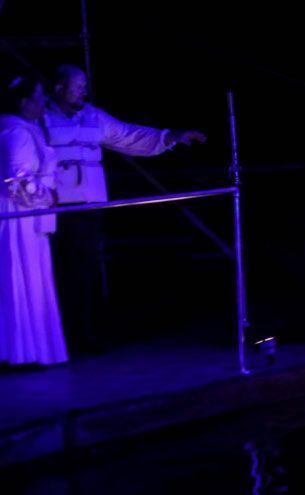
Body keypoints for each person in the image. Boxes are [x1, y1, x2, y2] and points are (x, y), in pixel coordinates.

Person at [44, 64, 206, 353]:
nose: (83, 90)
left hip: (89, 206)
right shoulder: (41, 117)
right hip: (54, 207)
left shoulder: (93, 116)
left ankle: (85, 334)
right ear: (58, 88)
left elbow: (127, 135)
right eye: (76, 85)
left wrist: (170, 137)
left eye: (84, 85)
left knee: (86, 270)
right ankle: (60, 337)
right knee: (60, 271)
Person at [0, 73, 67, 366]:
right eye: (39, 97)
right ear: (25, 102)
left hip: (24, 213)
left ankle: (27, 348)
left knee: (26, 274)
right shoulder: (15, 131)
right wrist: (46, 195)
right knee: (19, 272)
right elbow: (17, 181)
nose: (43, 103)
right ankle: (20, 350)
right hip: (19, 215)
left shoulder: (22, 128)